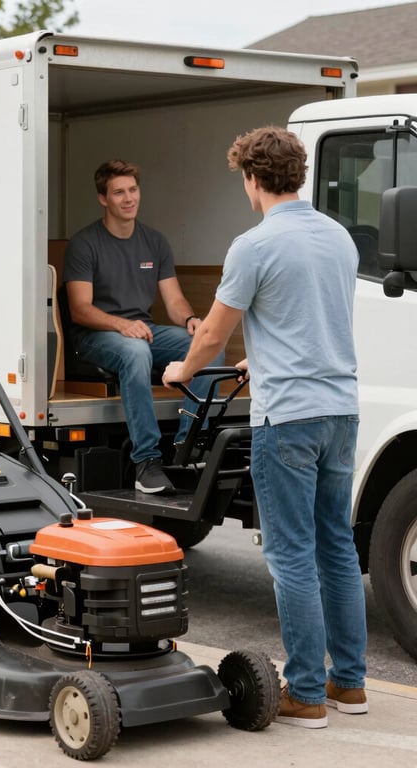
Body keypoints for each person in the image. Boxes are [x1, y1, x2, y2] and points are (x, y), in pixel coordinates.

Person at [162, 126, 367, 728]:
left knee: (292, 554)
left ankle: (304, 693)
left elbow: (210, 335)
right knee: (336, 547)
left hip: (289, 419)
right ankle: (348, 684)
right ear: (298, 174)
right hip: (340, 410)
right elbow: (311, 318)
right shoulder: (340, 239)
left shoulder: (253, 245)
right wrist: (267, 355)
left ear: (252, 179)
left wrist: (183, 368)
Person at [63, 159, 224, 495]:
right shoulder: (84, 243)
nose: (128, 198)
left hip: (142, 331)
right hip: (94, 338)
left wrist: (192, 321)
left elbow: (175, 301)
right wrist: (122, 325)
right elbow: (80, 310)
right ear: (103, 199)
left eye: (133, 190)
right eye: (118, 192)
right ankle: (146, 461)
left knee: (211, 342)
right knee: (136, 351)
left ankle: (188, 445)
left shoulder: (155, 241)